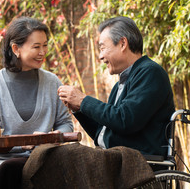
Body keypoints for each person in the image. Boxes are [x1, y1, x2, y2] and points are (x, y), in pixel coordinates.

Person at [58, 16, 175, 160]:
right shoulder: (120, 84)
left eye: (102, 48)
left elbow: (125, 120)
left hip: (138, 161)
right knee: (62, 155)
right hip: (115, 157)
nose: (100, 56)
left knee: (68, 157)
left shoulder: (150, 73)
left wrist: (83, 100)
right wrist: (79, 109)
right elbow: (102, 132)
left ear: (122, 43)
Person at [0, 16, 73, 188]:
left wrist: (52, 137)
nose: (43, 52)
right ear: (16, 49)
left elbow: (65, 124)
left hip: (43, 159)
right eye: (36, 47)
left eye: (45, 45)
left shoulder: (53, 83)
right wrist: (21, 144)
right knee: (12, 169)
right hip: (4, 164)